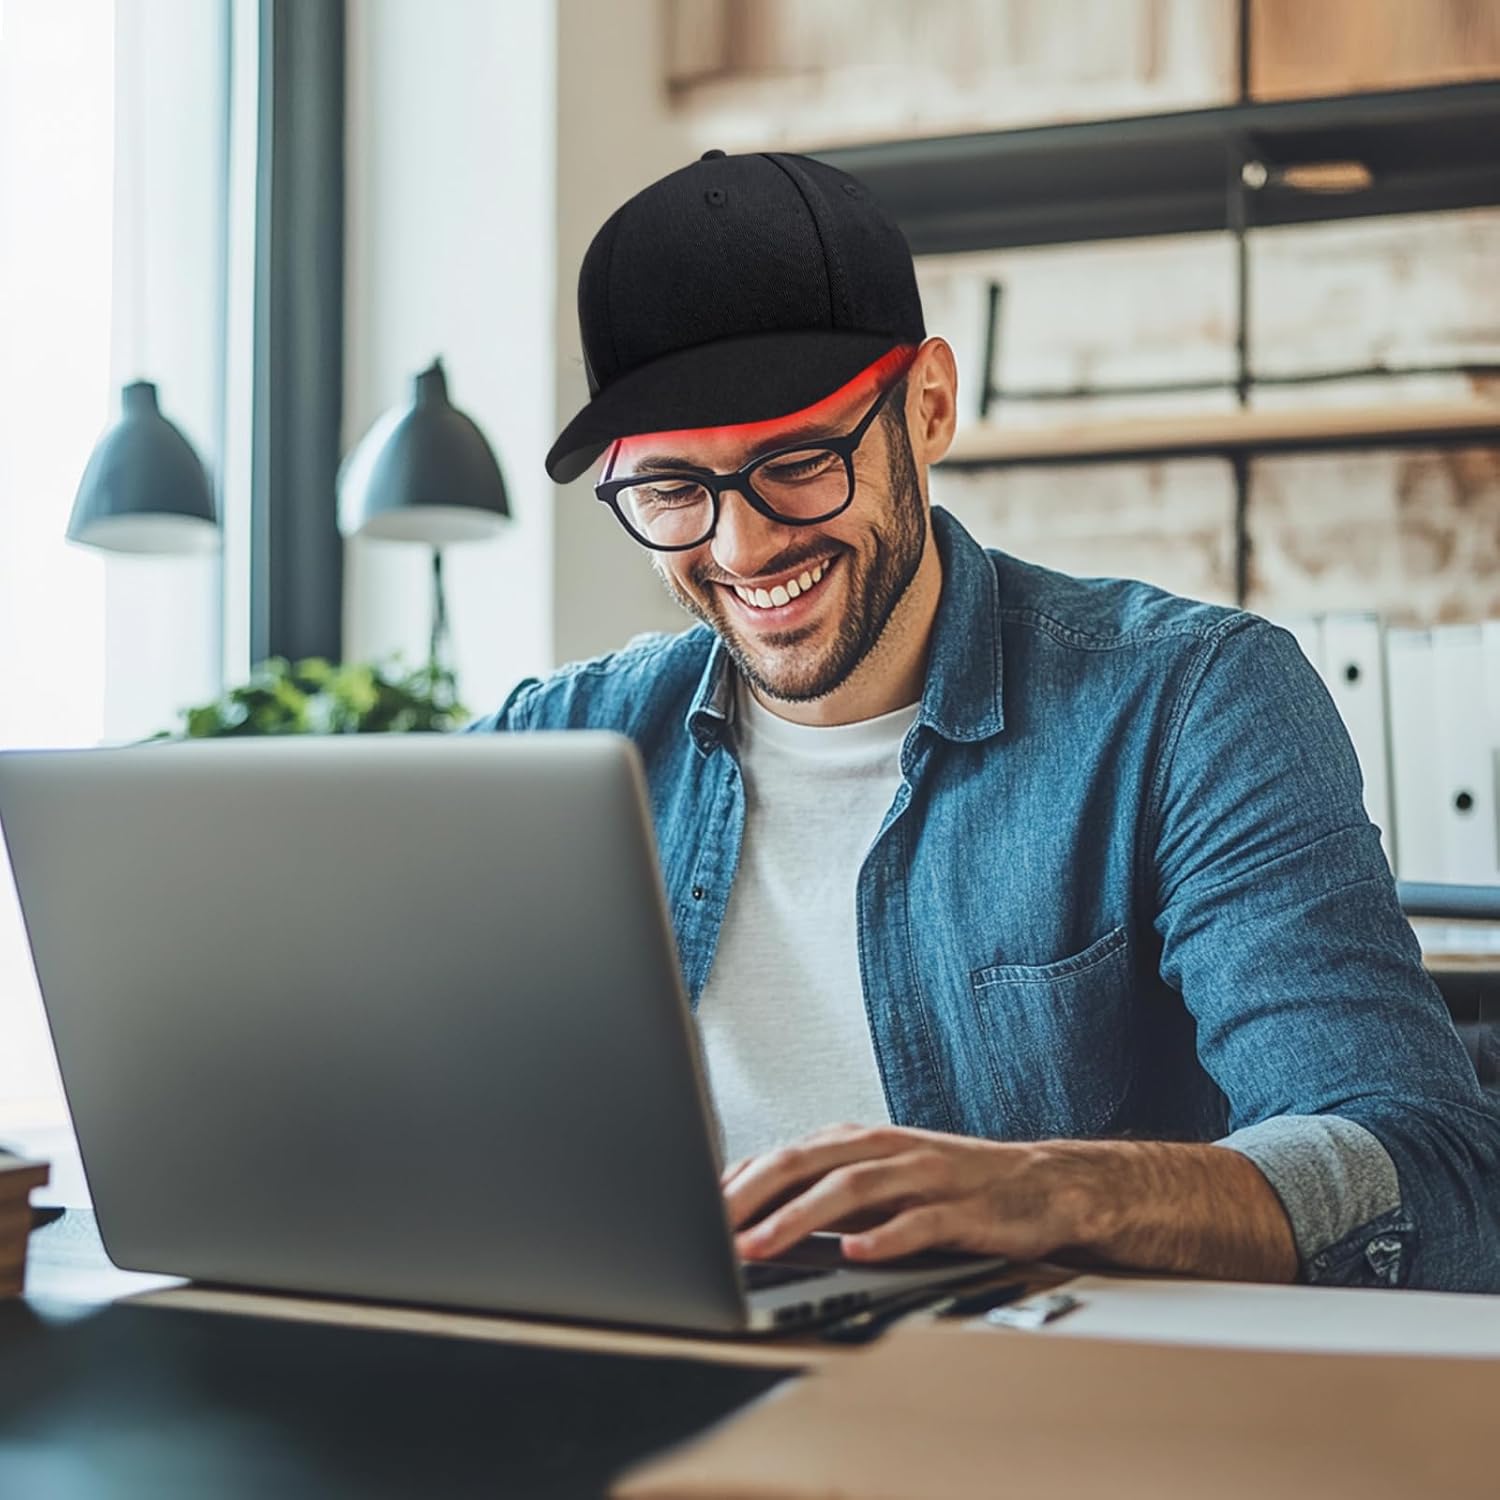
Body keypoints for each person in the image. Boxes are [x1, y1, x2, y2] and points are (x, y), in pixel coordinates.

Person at [465, 148, 1500, 1291]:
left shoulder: (1194, 704)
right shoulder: (550, 744)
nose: (741, 546)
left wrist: (1055, 1192)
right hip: (633, 1386)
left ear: (928, 407)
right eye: (670, 490)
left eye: (799, 462)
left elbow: (1431, 1173)